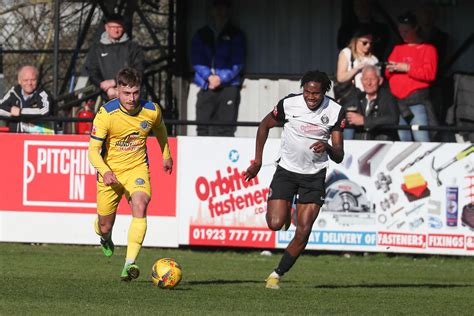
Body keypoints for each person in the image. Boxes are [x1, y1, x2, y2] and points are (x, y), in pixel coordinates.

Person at [244, 70, 344, 290]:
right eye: (307, 91)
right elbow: (264, 126)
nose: (310, 97)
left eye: (316, 93)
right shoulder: (289, 104)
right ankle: (286, 211)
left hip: (314, 176)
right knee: (275, 224)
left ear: (324, 92)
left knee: (304, 230)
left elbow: (339, 154)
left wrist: (327, 146)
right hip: (287, 172)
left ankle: (276, 274)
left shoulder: (335, 111)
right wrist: (258, 162)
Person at [88, 67, 173, 281]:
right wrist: (105, 172)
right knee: (105, 225)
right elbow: (92, 151)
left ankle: (129, 264)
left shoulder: (151, 110)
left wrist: (166, 154)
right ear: (117, 91)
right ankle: (104, 236)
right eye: (126, 93)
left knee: (140, 204)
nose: (132, 98)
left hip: (137, 169)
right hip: (110, 174)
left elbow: (160, 130)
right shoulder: (106, 114)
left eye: (135, 92)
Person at [191, 0, 245, 136]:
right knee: (202, 128)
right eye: (217, 7)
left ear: (228, 10)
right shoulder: (201, 34)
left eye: (223, 6)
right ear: (211, 10)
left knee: (226, 129)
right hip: (206, 85)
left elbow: (238, 61)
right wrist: (209, 77)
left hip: (228, 86)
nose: (220, 10)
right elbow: (196, 59)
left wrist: (221, 78)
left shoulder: (236, 34)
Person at [386, 11, 438, 142]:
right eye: (401, 31)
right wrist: (391, 69)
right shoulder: (398, 48)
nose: (403, 34)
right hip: (398, 103)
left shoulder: (428, 49)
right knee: (403, 139)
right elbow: (387, 73)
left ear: (415, 28)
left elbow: (430, 74)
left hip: (416, 101)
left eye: (406, 31)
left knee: (421, 137)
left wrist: (407, 68)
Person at [85, 13, 144, 100]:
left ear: (123, 28)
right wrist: (107, 88)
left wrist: (115, 82)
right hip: (104, 96)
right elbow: (92, 70)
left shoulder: (133, 47)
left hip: (130, 97)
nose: (116, 30)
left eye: (119, 27)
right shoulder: (97, 48)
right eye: (113, 27)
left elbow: (139, 69)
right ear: (106, 28)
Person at [336, 24, 378, 139]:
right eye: (364, 43)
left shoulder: (373, 59)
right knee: (348, 133)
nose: (368, 46)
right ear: (355, 41)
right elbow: (340, 77)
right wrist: (357, 68)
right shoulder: (347, 53)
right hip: (351, 100)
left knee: (365, 133)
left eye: (370, 43)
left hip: (368, 101)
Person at [345, 65, 399, 140]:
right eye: (365, 79)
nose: (368, 83)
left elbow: (393, 119)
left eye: (372, 79)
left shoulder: (388, 97)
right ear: (361, 81)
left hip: (381, 145)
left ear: (380, 81)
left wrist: (364, 121)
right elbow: (343, 114)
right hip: (358, 146)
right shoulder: (357, 98)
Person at [0, 65, 54, 134]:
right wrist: (11, 111)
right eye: (26, 80)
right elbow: (1, 107)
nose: (29, 83)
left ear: (37, 80)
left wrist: (20, 112)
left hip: (36, 139)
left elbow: (44, 111)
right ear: (19, 81)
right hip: (15, 138)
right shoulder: (14, 92)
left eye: (33, 80)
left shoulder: (43, 93)